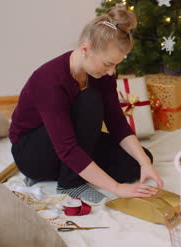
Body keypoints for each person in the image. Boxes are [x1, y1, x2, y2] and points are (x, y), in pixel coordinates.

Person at [9, 6, 163, 204]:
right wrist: (117, 189)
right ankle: (70, 183)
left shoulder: (101, 74)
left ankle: (73, 172)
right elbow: (67, 147)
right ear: (85, 50)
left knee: (137, 163)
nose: (111, 72)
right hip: (34, 152)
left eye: (116, 65)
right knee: (88, 101)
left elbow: (116, 122)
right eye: (108, 64)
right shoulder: (50, 80)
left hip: (74, 139)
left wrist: (144, 162)